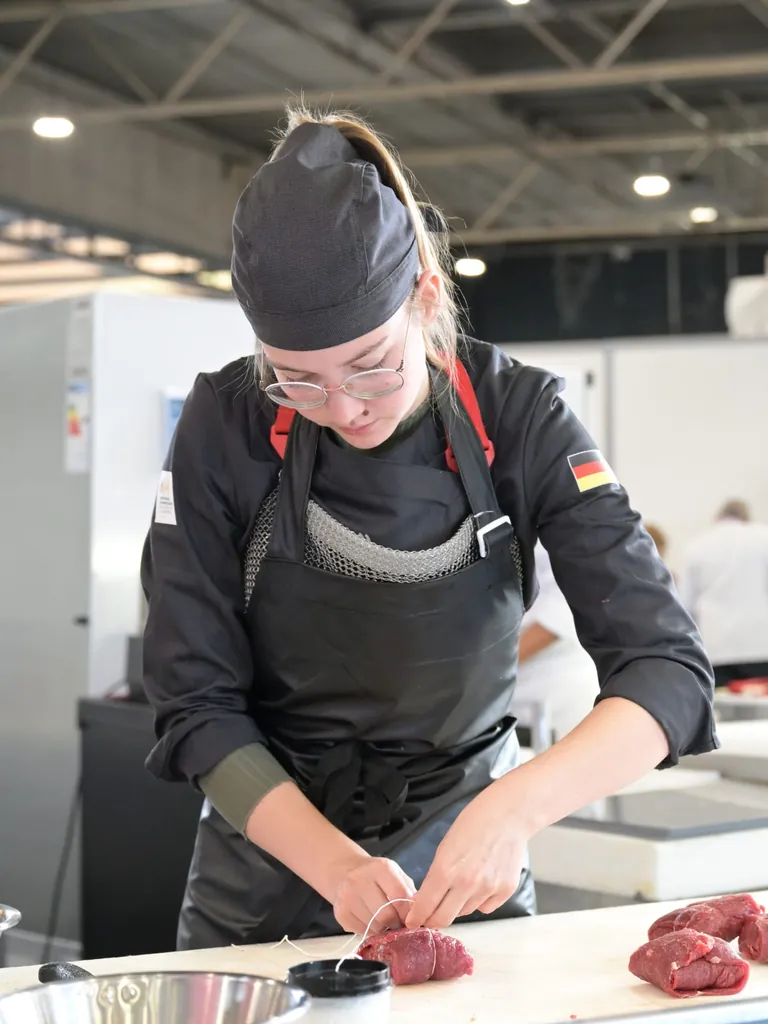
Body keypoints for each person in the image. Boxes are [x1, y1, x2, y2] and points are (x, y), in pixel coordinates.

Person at [141, 107, 717, 952]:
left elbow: (666, 672)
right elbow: (194, 702)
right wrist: (336, 865)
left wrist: (512, 809)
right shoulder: (223, 424)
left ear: (425, 296)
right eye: (296, 380)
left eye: (371, 366)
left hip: (466, 867)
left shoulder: (522, 416)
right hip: (267, 873)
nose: (343, 409)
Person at [512, 544, 599, 748]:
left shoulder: (574, 538)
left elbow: (556, 617)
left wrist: (476, 674)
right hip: (508, 701)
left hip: (551, 703)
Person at [678, 500, 768, 688]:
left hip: (716, 648)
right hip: (760, 645)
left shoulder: (697, 546)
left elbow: (685, 606)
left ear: (717, 517)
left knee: (721, 703)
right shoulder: (763, 538)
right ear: (746, 517)